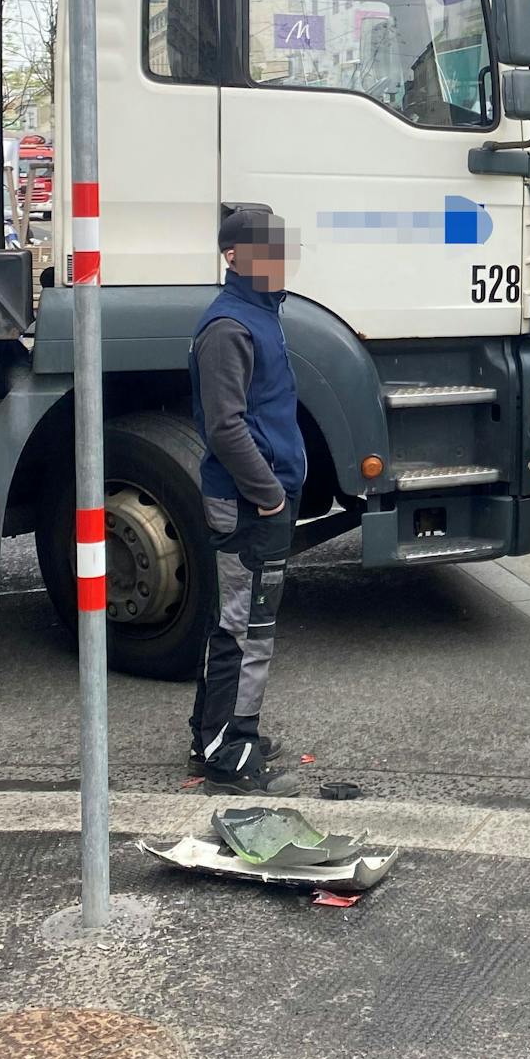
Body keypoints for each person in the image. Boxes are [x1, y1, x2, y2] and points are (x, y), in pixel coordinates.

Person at [189, 205, 307, 797]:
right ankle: (227, 748)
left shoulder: (258, 315)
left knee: (238, 619)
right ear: (233, 256)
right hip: (247, 502)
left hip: (255, 497)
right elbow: (226, 428)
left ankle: (213, 731)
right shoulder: (230, 326)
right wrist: (267, 497)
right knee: (246, 624)